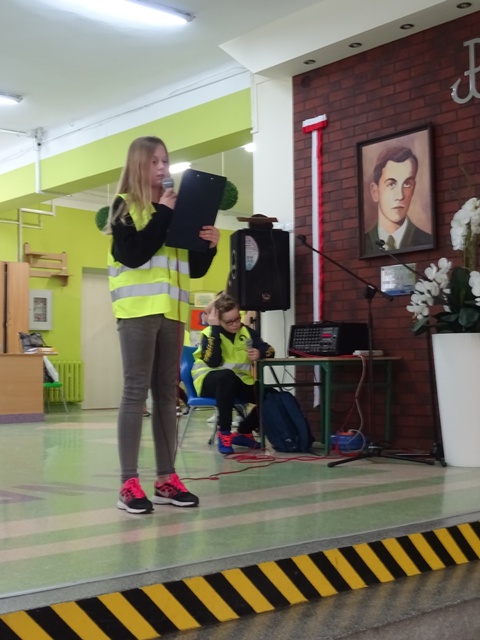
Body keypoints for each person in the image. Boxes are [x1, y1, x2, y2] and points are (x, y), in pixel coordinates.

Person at [105, 135, 219, 514]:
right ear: (138, 165)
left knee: (168, 395)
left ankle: (166, 479)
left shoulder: (177, 211)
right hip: (137, 310)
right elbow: (133, 254)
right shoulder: (125, 206)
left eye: (166, 161)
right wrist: (164, 214)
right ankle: (128, 483)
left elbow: (194, 267)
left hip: (172, 311)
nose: (162, 168)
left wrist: (209, 245)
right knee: (135, 392)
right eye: (154, 161)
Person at [192, 293, 275, 454]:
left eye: (237, 319)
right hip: (208, 380)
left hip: (238, 382)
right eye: (229, 322)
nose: (235, 324)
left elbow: (270, 349)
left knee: (270, 396)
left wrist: (260, 353)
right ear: (219, 320)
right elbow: (213, 361)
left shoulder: (247, 332)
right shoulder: (210, 333)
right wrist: (216, 329)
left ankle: (244, 431)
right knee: (226, 377)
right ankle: (224, 433)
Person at [363, 146, 433, 255]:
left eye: (407, 184)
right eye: (391, 184)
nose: (400, 196)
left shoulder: (426, 241)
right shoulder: (364, 244)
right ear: (375, 192)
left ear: (413, 189)